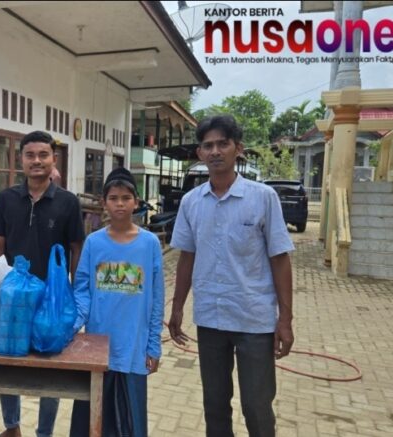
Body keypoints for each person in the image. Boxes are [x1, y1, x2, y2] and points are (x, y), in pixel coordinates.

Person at [168, 114, 294, 437]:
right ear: (199, 153)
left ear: (238, 148)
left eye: (222, 144)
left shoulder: (262, 198)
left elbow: (280, 259)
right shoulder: (191, 203)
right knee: (215, 406)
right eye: (207, 145)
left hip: (254, 320)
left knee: (257, 406)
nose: (215, 151)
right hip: (210, 318)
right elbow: (186, 257)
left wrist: (285, 320)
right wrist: (177, 307)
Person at [0, 130, 85, 437]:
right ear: (21, 160)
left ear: (54, 159)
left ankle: (44, 432)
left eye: (43, 155)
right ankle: (12, 427)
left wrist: (73, 294)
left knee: (49, 366)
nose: (37, 161)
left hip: (51, 299)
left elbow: (77, 249)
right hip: (13, 297)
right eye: (30, 155)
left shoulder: (68, 202)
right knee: (8, 359)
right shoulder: (6, 199)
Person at [69, 167, 164, 437]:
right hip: (98, 347)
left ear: (136, 202)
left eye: (125, 198)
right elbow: (82, 290)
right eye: (113, 198)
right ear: (104, 203)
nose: (119, 204)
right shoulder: (93, 242)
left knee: (129, 425)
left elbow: (157, 298)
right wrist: (72, 327)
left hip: (133, 349)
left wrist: (153, 346)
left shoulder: (149, 244)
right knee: (91, 421)